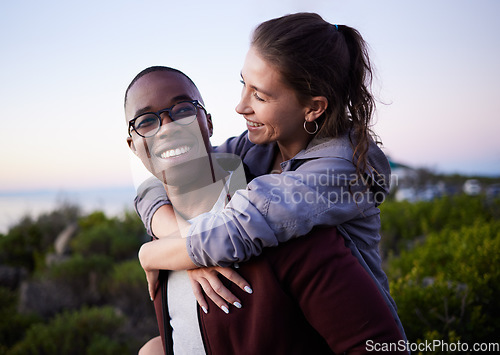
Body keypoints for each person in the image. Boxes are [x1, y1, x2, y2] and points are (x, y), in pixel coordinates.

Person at [133, 12, 408, 352]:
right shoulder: (258, 146)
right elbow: (168, 176)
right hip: (280, 321)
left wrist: (152, 254)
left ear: (313, 107)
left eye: (260, 96)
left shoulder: (337, 172)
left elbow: (230, 234)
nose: (240, 106)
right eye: (243, 84)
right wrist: (176, 240)